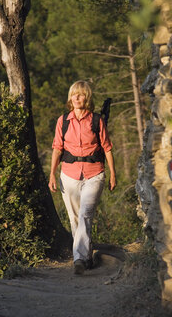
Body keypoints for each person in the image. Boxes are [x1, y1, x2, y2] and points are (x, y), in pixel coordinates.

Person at [48, 80, 117, 275]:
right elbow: (57, 148)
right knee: (75, 219)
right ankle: (87, 258)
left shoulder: (97, 120)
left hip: (94, 174)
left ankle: (78, 259)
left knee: (86, 214)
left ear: (87, 97)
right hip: (68, 175)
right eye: (73, 94)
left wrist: (113, 174)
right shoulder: (63, 121)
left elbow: (107, 148)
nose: (76, 97)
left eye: (80, 94)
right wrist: (52, 174)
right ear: (70, 98)